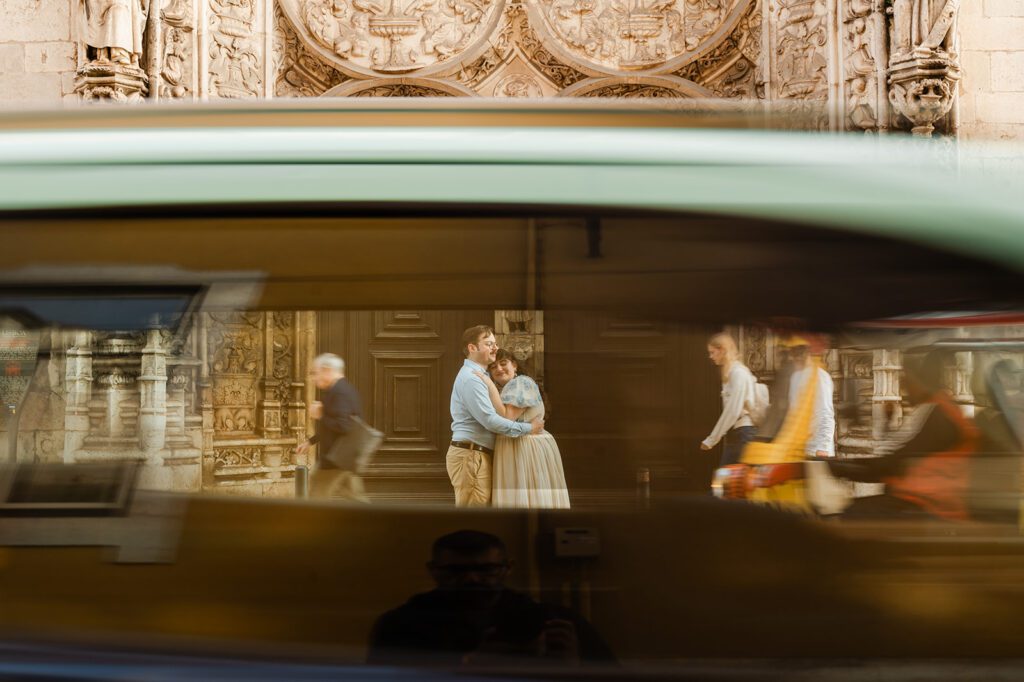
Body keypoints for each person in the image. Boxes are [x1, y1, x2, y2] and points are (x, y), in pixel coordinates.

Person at [367, 530, 614, 667]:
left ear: (507, 568)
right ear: (434, 570)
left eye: (485, 570)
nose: (472, 579)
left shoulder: (555, 622)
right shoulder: (403, 625)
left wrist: (573, 666)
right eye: (457, 571)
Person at [827, 352, 980, 521]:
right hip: (935, 503)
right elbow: (902, 452)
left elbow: (890, 463)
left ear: (919, 381)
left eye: (906, 380)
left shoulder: (931, 411)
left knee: (852, 512)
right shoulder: (945, 409)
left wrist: (840, 468)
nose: (904, 388)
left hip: (928, 506)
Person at [448, 326, 544, 507]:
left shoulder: (481, 377)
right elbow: (491, 421)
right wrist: (529, 428)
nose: (495, 348)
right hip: (472, 455)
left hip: (476, 454)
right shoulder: (472, 378)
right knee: (475, 519)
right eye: (489, 344)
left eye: (495, 344)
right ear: (472, 348)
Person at [474, 349, 570, 509]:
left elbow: (507, 418)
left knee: (528, 497)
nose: (498, 369)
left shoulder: (521, 383)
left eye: (503, 363)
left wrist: (489, 384)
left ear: (515, 365)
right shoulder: (504, 390)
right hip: (514, 444)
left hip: (525, 446)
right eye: (493, 367)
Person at [296, 353, 368, 502]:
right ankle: (378, 523)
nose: (314, 378)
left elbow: (344, 426)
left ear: (327, 370)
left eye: (315, 373)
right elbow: (335, 424)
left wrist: (320, 414)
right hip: (345, 457)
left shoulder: (339, 392)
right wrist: (310, 442)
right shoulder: (341, 389)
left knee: (316, 498)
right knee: (357, 500)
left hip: (335, 459)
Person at [700, 333, 757, 467]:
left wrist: (712, 439)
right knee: (725, 481)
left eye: (713, 352)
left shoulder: (739, 373)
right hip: (736, 434)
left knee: (732, 481)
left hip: (744, 434)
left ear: (723, 350)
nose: (711, 356)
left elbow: (733, 410)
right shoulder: (729, 373)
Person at [787, 335, 836, 458]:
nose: (793, 357)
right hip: (800, 447)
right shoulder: (795, 377)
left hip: (817, 448)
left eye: (798, 353)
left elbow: (826, 414)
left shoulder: (820, 376)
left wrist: (823, 448)